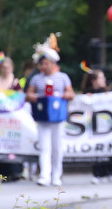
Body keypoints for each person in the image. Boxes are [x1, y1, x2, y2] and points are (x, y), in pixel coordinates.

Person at [25, 47, 75, 187]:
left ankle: (56, 175)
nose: (44, 66)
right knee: (44, 146)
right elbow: (29, 94)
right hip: (42, 116)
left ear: (53, 64)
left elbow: (71, 94)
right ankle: (44, 176)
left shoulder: (63, 77)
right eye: (42, 64)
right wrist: (33, 97)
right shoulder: (36, 79)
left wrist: (61, 96)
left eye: (46, 63)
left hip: (58, 116)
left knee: (57, 146)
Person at [0, 57, 24, 181]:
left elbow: (20, 98)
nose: (5, 69)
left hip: (12, 120)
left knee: (13, 143)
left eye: (7, 67)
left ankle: (16, 171)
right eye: (3, 67)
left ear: (12, 68)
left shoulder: (16, 82)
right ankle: (4, 173)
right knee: (1, 144)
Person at [82, 69, 112, 184]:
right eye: (101, 78)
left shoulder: (106, 92)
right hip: (93, 126)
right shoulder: (87, 93)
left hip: (106, 125)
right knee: (97, 149)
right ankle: (97, 173)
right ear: (94, 81)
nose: (104, 80)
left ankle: (109, 171)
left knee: (107, 148)